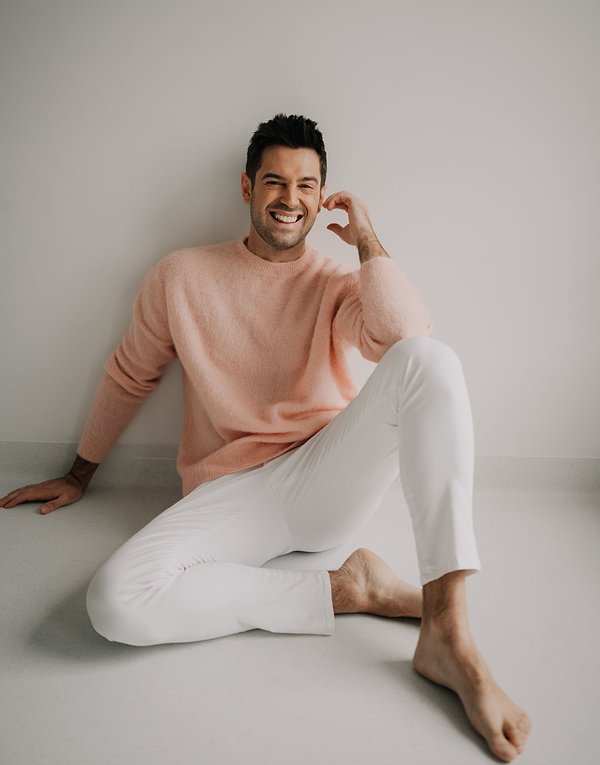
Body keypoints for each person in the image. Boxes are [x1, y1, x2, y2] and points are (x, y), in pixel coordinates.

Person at [1, 114, 531, 761]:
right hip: (230, 491)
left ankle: (448, 628)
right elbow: (130, 373)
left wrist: (367, 239)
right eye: (275, 181)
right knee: (114, 602)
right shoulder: (180, 276)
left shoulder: (336, 283)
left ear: (322, 196)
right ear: (247, 187)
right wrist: (78, 472)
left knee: (431, 359)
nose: (290, 198)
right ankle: (351, 588)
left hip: (324, 473)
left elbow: (403, 335)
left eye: (307, 185)